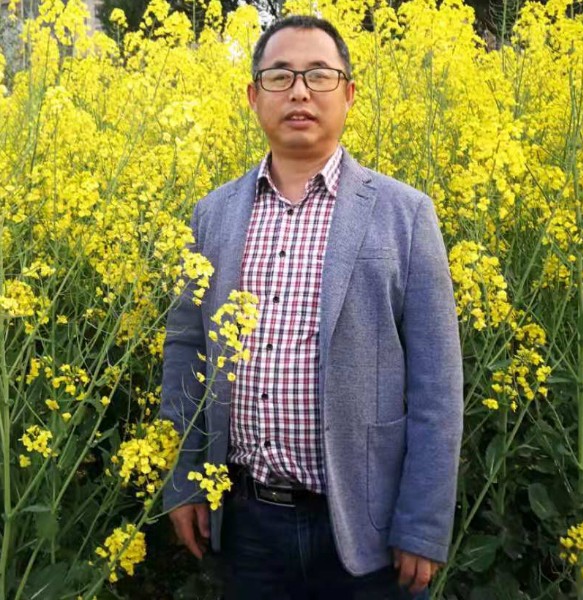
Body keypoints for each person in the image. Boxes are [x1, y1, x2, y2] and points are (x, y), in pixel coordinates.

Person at [160, 15, 464, 600]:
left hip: (369, 525)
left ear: (348, 93)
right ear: (253, 96)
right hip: (246, 522)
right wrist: (185, 480)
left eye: (319, 75)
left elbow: (438, 385)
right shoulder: (212, 214)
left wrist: (423, 524)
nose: (299, 91)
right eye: (279, 76)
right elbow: (186, 351)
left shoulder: (404, 214)